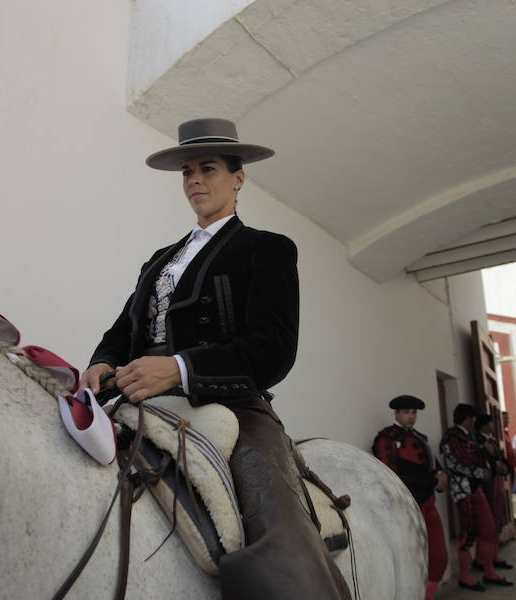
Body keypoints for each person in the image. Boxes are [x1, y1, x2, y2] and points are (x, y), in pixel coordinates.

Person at [80, 118, 350, 599]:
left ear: (238, 177)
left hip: (231, 403)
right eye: (187, 172)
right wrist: (103, 361)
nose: (195, 181)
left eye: (207, 169)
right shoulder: (161, 258)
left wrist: (180, 368)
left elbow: (274, 350)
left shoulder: (265, 249)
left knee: (279, 535)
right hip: (136, 392)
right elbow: (124, 329)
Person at [373, 395, 449, 600]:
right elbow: (391, 475)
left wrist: (441, 477)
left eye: (414, 412)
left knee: (438, 558)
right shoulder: (386, 438)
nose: (411, 416)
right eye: (406, 412)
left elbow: (433, 466)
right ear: (396, 413)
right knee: (409, 561)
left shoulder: (420, 438)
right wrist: (433, 481)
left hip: (428, 505)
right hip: (403, 508)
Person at [440, 404, 514, 591]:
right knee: (468, 533)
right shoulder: (453, 437)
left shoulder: (467, 436)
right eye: (472, 418)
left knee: (488, 529)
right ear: (468, 418)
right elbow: (463, 463)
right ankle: (465, 576)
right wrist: (485, 464)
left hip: (474, 488)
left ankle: (487, 570)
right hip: (463, 490)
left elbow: (478, 460)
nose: (474, 422)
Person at [474, 414, 513, 537]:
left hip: (497, 479)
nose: (493, 426)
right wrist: (494, 464)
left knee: (497, 512)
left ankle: (495, 548)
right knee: (489, 513)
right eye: (490, 423)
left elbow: (501, 458)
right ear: (484, 425)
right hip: (487, 481)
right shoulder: (477, 440)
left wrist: (506, 468)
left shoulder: (492, 440)